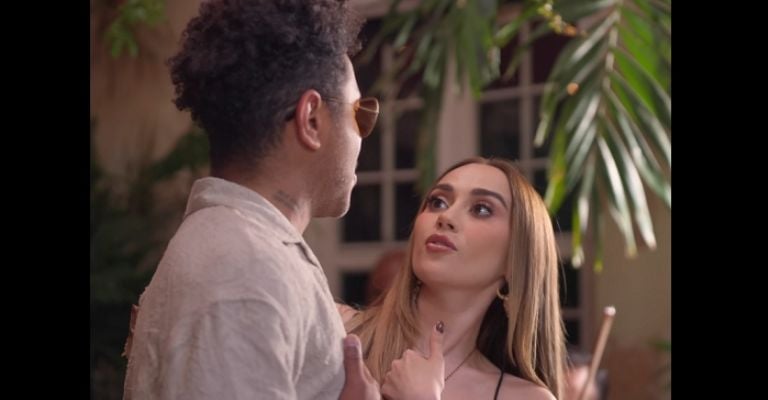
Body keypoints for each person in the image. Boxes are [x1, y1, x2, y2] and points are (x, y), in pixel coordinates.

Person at [122, 1, 381, 399]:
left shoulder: (236, 249)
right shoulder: (247, 269)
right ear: (311, 119)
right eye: (360, 113)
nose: (364, 135)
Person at [341, 157, 566, 400]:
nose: (446, 216)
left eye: (481, 209)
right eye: (437, 202)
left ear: (516, 258)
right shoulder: (337, 328)